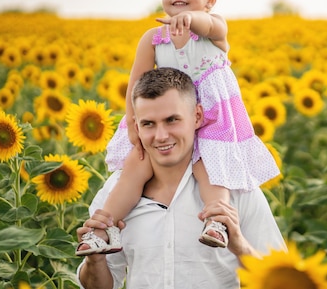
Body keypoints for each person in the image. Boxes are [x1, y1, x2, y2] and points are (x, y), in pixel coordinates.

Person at [75, 0, 280, 256]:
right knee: (135, 167)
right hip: (171, 116)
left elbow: (211, 24)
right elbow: (136, 84)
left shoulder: (214, 29)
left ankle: (216, 222)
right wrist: (132, 124)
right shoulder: (153, 38)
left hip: (214, 118)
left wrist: (191, 18)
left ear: (210, 0)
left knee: (211, 168)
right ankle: (104, 228)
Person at [76, 67, 286, 289]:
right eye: (149, 124)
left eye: (172, 120)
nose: (161, 136)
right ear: (136, 126)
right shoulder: (113, 196)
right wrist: (95, 259)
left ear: (197, 116)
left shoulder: (235, 189)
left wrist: (240, 246)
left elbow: (281, 282)